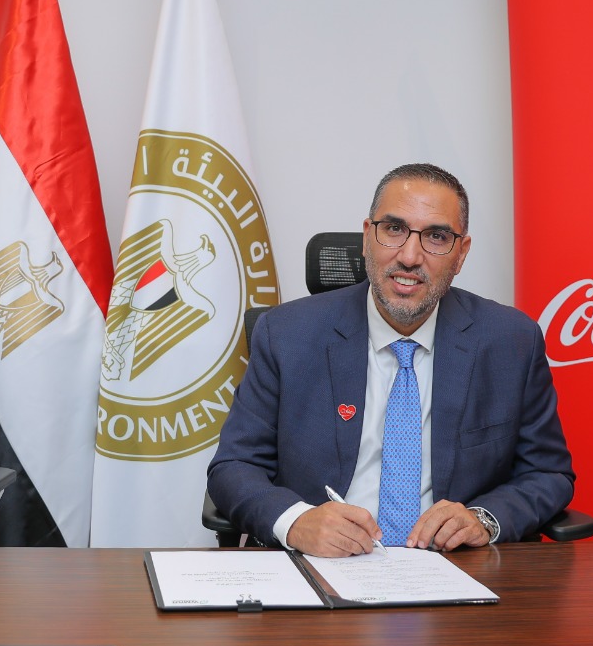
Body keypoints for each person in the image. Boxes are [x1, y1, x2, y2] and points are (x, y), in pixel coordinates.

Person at [208, 163, 572, 557]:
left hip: (454, 567)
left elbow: (547, 473)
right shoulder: (286, 335)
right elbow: (233, 467)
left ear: (461, 254)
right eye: (394, 229)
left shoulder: (511, 342)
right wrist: (296, 521)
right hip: (321, 562)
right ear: (368, 237)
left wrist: (482, 518)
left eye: (436, 236)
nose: (410, 256)